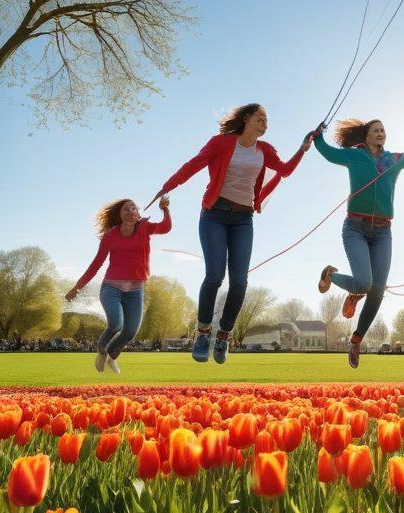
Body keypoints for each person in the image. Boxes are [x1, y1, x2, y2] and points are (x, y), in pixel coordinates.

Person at [152, 104, 315, 365]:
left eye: (267, 119)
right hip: (214, 216)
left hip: (243, 219)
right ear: (246, 119)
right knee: (215, 275)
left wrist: (302, 149)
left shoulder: (265, 150)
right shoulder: (221, 143)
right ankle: (203, 333)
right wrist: (167, 186)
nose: (265, 123)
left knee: (239, 282)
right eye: (260, 118)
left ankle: (224, 335)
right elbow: (193, 165)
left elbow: (284, 170)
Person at [315, 118, 404, 369]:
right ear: (365, 136)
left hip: (383, 232)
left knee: (378, 288)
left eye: (383, 130)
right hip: (355, 227)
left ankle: (356, 340)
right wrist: (318, 137)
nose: (380, 133)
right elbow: (328, 153)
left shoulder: (393, 160)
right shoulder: (353, 157)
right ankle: (331, 275)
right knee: (365, 282)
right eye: (375, 130)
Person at [66, 196, 172, 375]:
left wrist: (165, 209)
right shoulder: (110, 236)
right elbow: (96, 265)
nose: (131, 211)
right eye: (126, 209)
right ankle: (101, 349)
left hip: (135, 290)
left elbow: (166, 227)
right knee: (116, 324)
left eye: (134, 208)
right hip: (111, 288)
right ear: (119, 214)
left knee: (130, 331)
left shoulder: (144, 228)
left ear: (138, 213)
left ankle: (112, 356)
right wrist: (77, 287)